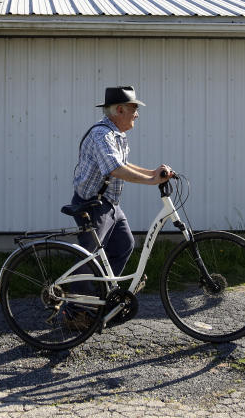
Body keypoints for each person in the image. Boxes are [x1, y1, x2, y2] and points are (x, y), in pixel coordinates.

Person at [64, 86, 172, 329]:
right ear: (120, 109)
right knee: (89, 256)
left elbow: (124, 163)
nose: (137, 114)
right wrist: (151, 180)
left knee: (124, 245)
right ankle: (76, 311)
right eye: (134, 109)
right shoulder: (102, 135)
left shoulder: (116, 136)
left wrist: (152, 172)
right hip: (91, 206)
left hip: (109, 204)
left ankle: (100, 295)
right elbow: (115, 169)